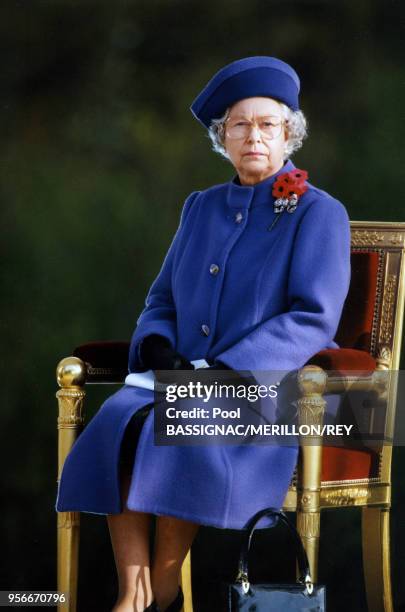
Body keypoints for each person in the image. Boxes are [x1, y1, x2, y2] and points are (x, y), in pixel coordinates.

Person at [56, 56, 351, 612]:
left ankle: (160, 590)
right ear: (222, 138)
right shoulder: (200, 208)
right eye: (239, 125)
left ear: (290, 134)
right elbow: (161, 298)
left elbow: (313, 317)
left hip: (269, 385)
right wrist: (158, 344)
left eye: (268, 124)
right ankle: (133, 595)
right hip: (181, 373)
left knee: (183, 421)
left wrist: (226, 368)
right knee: (119, 419)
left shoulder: (320, 213)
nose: (254, 136)